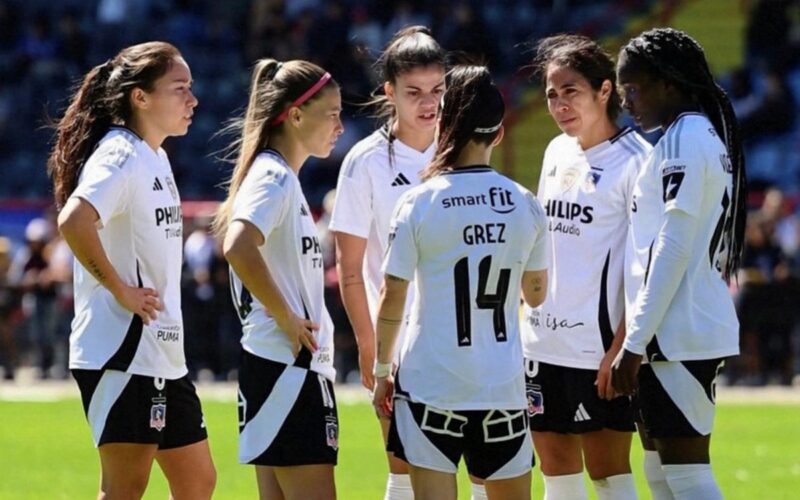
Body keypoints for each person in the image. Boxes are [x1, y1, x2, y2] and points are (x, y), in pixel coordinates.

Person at [48, 42, 216, 499]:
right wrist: (121, 290)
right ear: (140, 97)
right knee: (125, 489)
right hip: (121, 352)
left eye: (191, 89)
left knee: (197, 481)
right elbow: (74, 221)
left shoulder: (155, 156)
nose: (192, 100)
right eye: (179, 89)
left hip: (162, 355)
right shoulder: (120, 153)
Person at [372, 65, 549, 500]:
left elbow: (392, 295)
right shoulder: (525, 204)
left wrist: (381, 371)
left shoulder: (418, 201)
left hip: (432, 386)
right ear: (499, 133)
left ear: (445, 127)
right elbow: (536, 295)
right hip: (500, 386)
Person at [613, 27, 747, 500]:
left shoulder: (684, 140)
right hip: (670, 332)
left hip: (679, 332)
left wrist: (634, 342)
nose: (627, 101)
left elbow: (674, 245)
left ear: (669, 83)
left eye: (633, 88)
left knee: (688, 475)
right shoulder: (685, 137)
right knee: (660, 472)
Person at [520, 34, 650, 500]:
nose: (558, 105)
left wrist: (621, 347)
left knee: (609, 472)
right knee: (554, 468)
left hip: (596, 351)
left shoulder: (638, 162)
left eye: (570, 90)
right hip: (541, 341)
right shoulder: (557, 151)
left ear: (604, 90)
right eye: (551, 94)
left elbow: (647, 267)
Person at [213, 58, 344, 500]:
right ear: (295, 114)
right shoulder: (272, 175)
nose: (340, 126)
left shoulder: (282, 177)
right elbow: (237, 245)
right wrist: (287, 317)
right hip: (288, 368)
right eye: (332, 114)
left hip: (279, 367)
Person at [329, 25, 446, 500]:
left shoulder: (465, 149)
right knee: (403, 472)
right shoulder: (364, 161)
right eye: (414, 91)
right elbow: (351, 270)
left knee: (484, 477)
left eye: (438, 89)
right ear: (389, 92)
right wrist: (370, 349)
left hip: (464, 341)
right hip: (398, 346)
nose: (428, 102)